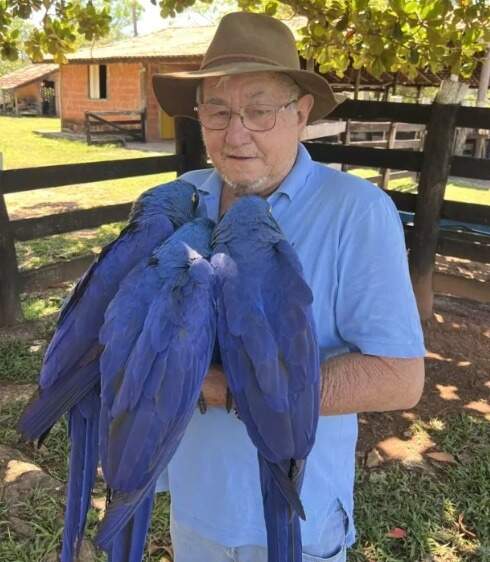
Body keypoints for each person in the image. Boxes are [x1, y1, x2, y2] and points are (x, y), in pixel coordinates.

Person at [152, 11, 425, 562]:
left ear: (300, 114)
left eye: (258, 111)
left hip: (295, 517)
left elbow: (399, 377)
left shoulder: (356, 212)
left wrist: (226, 390)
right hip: (194, 503)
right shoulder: (182, 198)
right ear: (199, 116)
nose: (235, 134)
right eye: (218, 111)